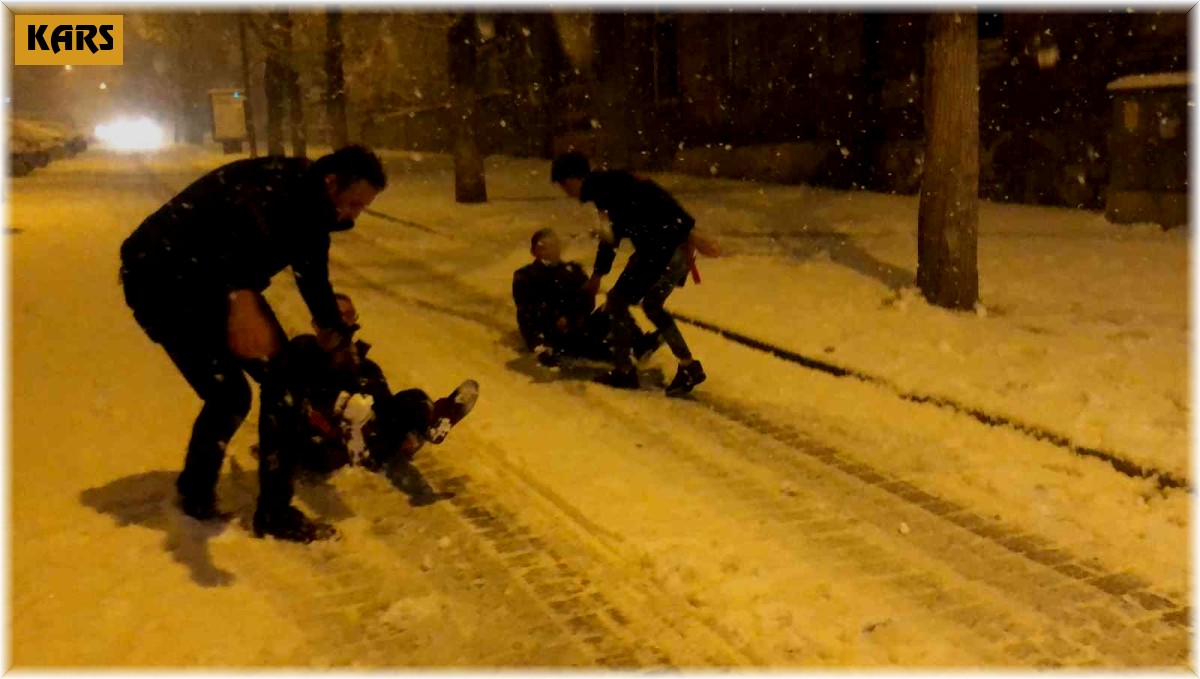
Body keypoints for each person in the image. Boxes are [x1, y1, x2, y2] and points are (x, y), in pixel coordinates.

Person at [119, 145, 387, 542]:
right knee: (228, 393)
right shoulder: (269, 186)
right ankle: (197, 496)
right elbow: (223, 236)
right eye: (353, 203)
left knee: (286, 378)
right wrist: (238, 298)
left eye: (361, 208)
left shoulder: (314, 212)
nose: (353, 215)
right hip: (160, 279)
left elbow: (312, 277)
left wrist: (334, 331)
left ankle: (272, 510)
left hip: (218, 284)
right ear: (331, 183)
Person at [266, 293, 477, 494]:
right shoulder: (304, 351)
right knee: (347, 413)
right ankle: (397, 442)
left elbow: (386, 405)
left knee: (412, 399)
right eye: (339, 316)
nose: (345, 322)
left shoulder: (364, 368)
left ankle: (432, 421)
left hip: (367, 439)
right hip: (321, 443)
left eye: (349, 316)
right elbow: (292, 394)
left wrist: (408, 412)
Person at [550, 151, 707, 396]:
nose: (565, 192)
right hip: (672, 250)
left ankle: (625, 371)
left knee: (617, 301)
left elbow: (613, 235)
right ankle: (688, 366)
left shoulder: (609, 188)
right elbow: (617, 231)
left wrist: (598, 275)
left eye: (563, 185)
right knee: (652, 306)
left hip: (661, 251)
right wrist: (686, 233)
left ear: (573, 179)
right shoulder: (611, 187)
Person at [513, 227, 661, 368]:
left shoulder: (573, 270)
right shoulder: (526, 276)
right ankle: (618, 355)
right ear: (534, 252)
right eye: (544, 247)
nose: (550, 251)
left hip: (579, 326)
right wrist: (540, 345)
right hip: (555, 336)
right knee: (604, 352)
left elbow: (587, 301)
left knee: (615, 306)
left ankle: (639, 345)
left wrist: (576, 314)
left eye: (553, 246)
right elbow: (527, 313)